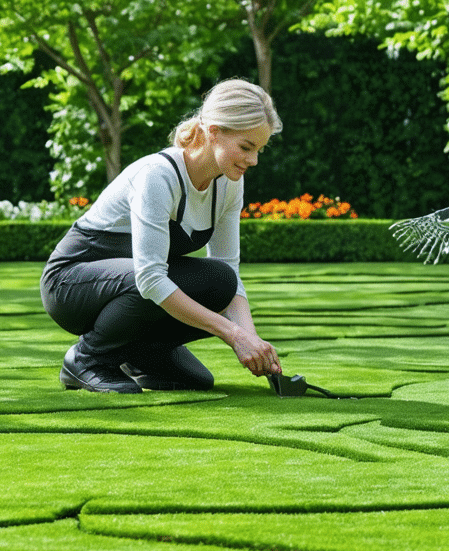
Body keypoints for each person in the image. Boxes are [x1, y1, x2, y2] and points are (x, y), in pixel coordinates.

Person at [41, 78, 283, 393]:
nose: (253, 161)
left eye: (259, 150)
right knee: (153, 277)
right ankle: (87, 358)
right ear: (213, 132)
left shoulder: (229, 184)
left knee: (218, 281)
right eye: (246, 147)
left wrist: (250, 337)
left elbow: (229, 274)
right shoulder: (158, 176)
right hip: (70, 286)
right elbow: (150, 278)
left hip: (132, 286)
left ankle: (137, 353)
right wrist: (232, 335)